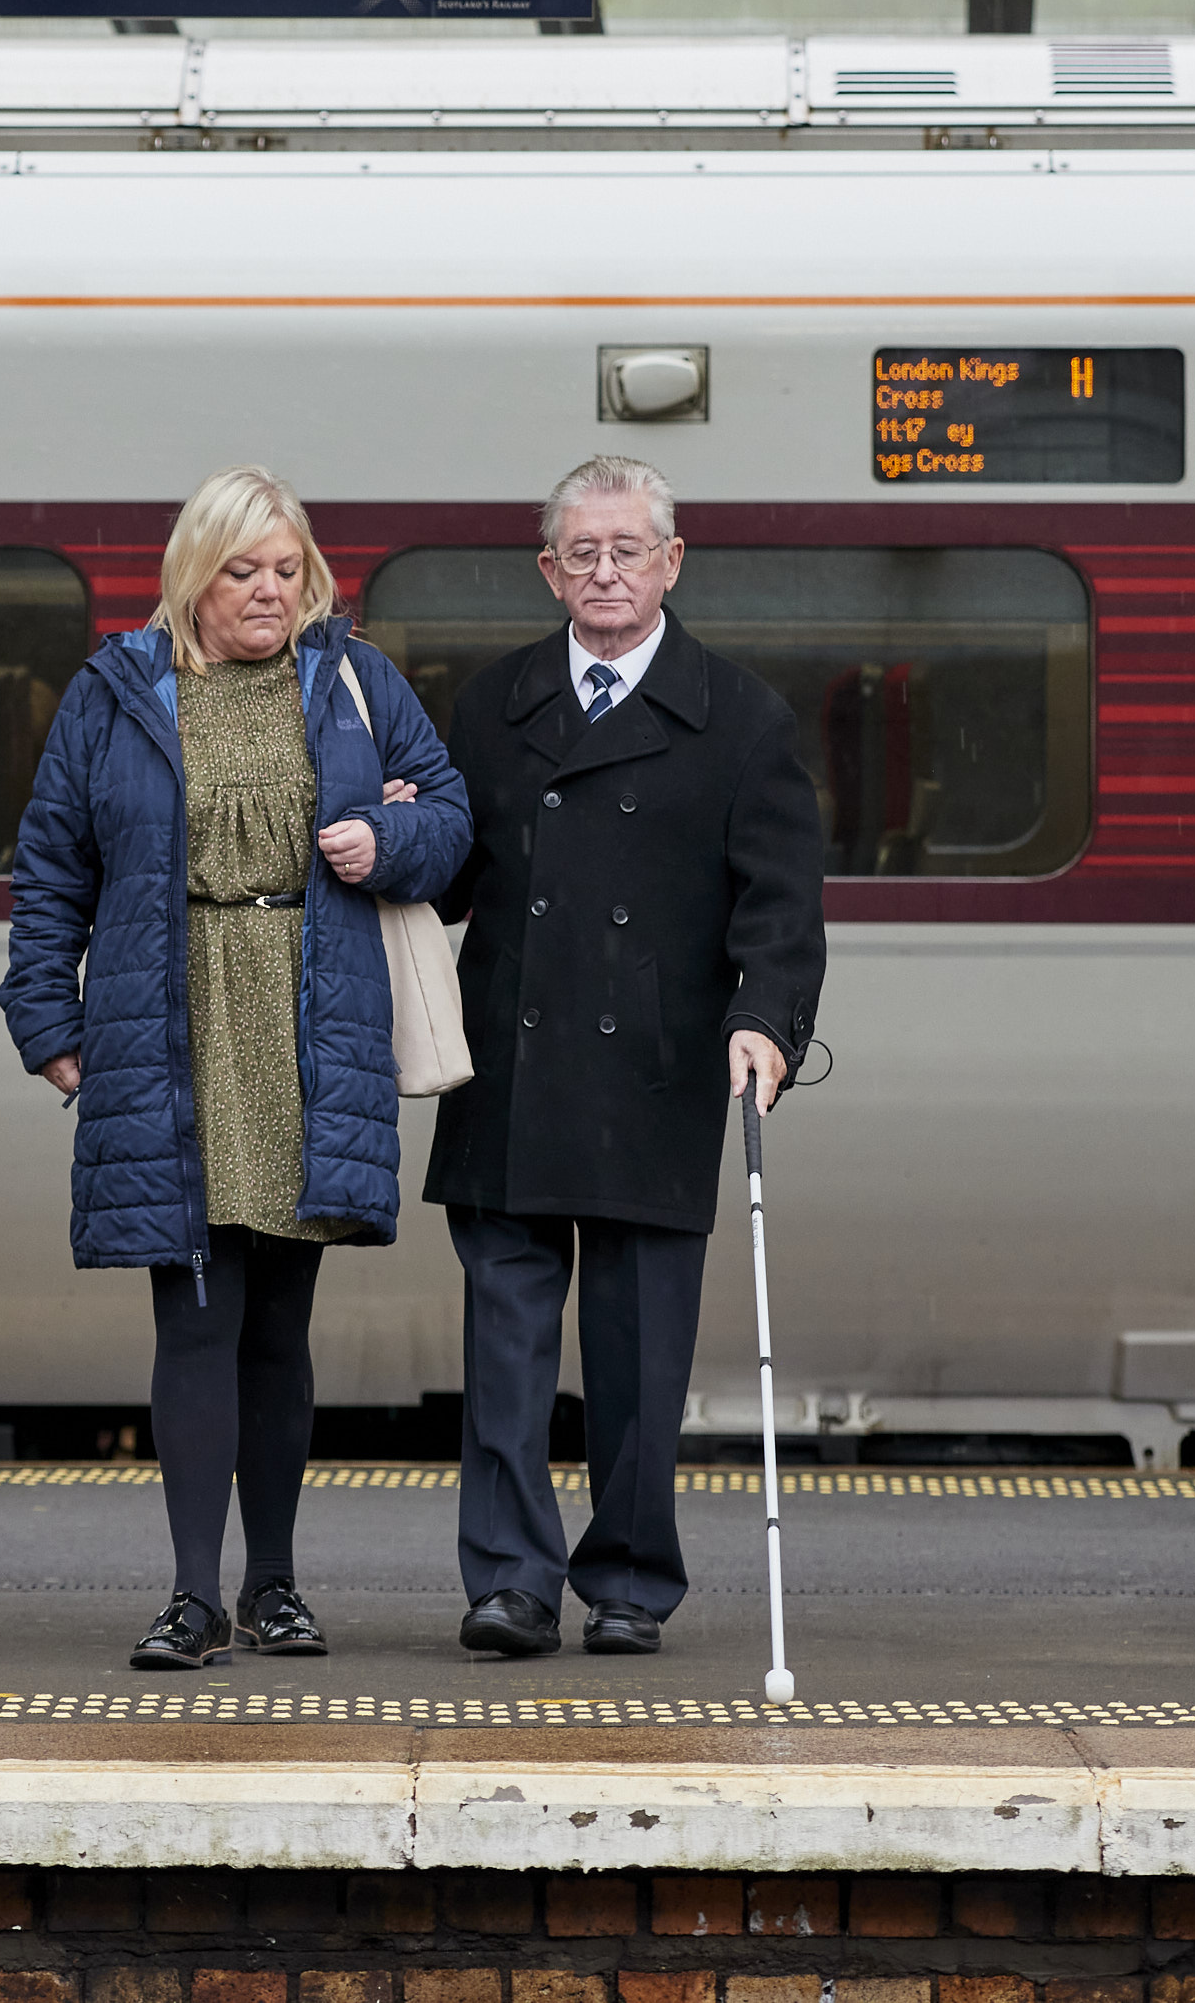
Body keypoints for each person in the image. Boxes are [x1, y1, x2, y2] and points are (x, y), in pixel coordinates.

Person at [2, 466, 472, 1671]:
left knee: (280, 1325)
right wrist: (48, 1025)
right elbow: (52, 866)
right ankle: (190, 1595)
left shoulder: (357, 681)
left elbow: (457, 820)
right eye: (241, 571)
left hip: (307, 1020)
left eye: (285, 570)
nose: (268, 593)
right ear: (191, 578)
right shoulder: (115, 693)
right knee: (193, 1317)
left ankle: (275, 1586)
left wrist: (390, 838)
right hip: (171, 1016)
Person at [434, 454, 826, 1661]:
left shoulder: (742, 718)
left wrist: (766, 1017)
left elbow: (780, 903)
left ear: (671, 562)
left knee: (639, 1352)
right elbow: (450, 875)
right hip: (506, 1059)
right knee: (504, 1351)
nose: (606, 572)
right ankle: (508, 1578)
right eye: (582, 552)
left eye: (628, 549)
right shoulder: (491, 706)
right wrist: (387, 843)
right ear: (549, 570)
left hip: (657, 1070)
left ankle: (629, 1581)